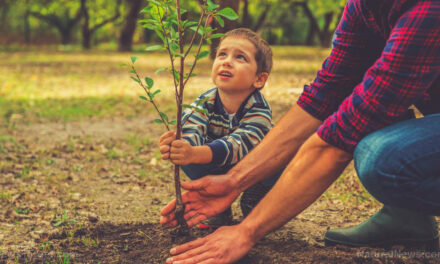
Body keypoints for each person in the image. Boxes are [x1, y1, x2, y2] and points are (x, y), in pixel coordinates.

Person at [160, 0, 440, 263]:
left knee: (382, 159)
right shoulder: (362, 8)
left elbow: (341, 138)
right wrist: (233, 181)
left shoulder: (427, 10)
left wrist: (247, 231)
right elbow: (324, 96)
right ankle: (406, 217)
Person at [158, 28, 280, 228]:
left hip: (254, 168)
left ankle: (257, 199)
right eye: (222, 54)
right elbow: (191, 126)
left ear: (259, 79)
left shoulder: (259, 108)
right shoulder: (206, 100)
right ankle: (218, 207)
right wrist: (180, 147)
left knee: (280, 158)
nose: (227, 61)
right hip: (218, 164)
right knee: (188, 157)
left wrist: (197, 153)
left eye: (240, 57)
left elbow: (240, 144)